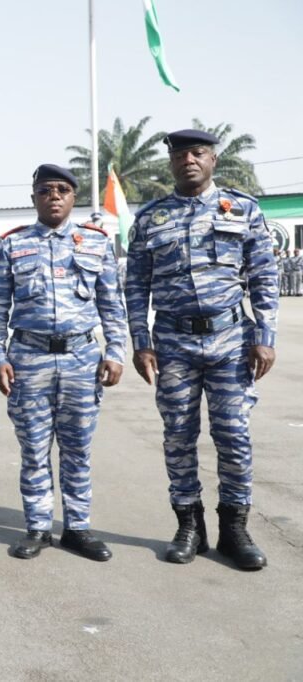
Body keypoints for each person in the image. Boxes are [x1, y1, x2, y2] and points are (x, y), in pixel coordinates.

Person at [125, 129, 277, 571]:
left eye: (198, 153)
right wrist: (141, 342)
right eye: (180, 155)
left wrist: (265, 337)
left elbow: (263, 275)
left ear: (213, 160)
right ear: (171, 163)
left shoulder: (242, 209)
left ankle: (234, 528)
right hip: (173, 344)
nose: (188, 160)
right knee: (178, 435)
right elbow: (135, 285)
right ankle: (189, 525)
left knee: (233, 435)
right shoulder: (151, 218)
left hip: (231, 341)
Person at [0, 164, 126, 562]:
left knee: (77, 449)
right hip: (29, 358)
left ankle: (77, 528)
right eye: (45, 190)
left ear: (73, 197)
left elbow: (112, 305)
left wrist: (116, 351)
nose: (54, 196)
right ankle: (38, 527)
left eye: (62, 190)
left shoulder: (95, 242)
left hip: (82, 358)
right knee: (33, 449)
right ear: (34, 197)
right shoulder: (13, 244)